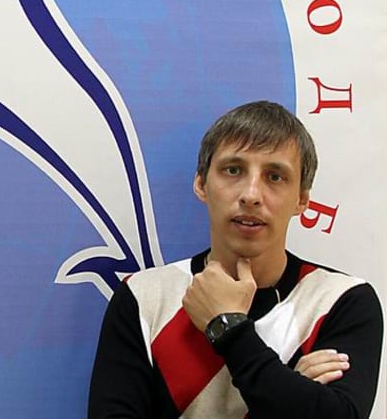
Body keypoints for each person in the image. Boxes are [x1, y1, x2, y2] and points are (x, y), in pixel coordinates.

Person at [88, 101, 383, 418]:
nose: (251, 195)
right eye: (233, 170)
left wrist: (227, 328)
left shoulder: (341, 301)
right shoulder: (144, 298)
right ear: (202, 184)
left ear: (301, 199)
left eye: (275, 176)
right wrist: (290, 394)